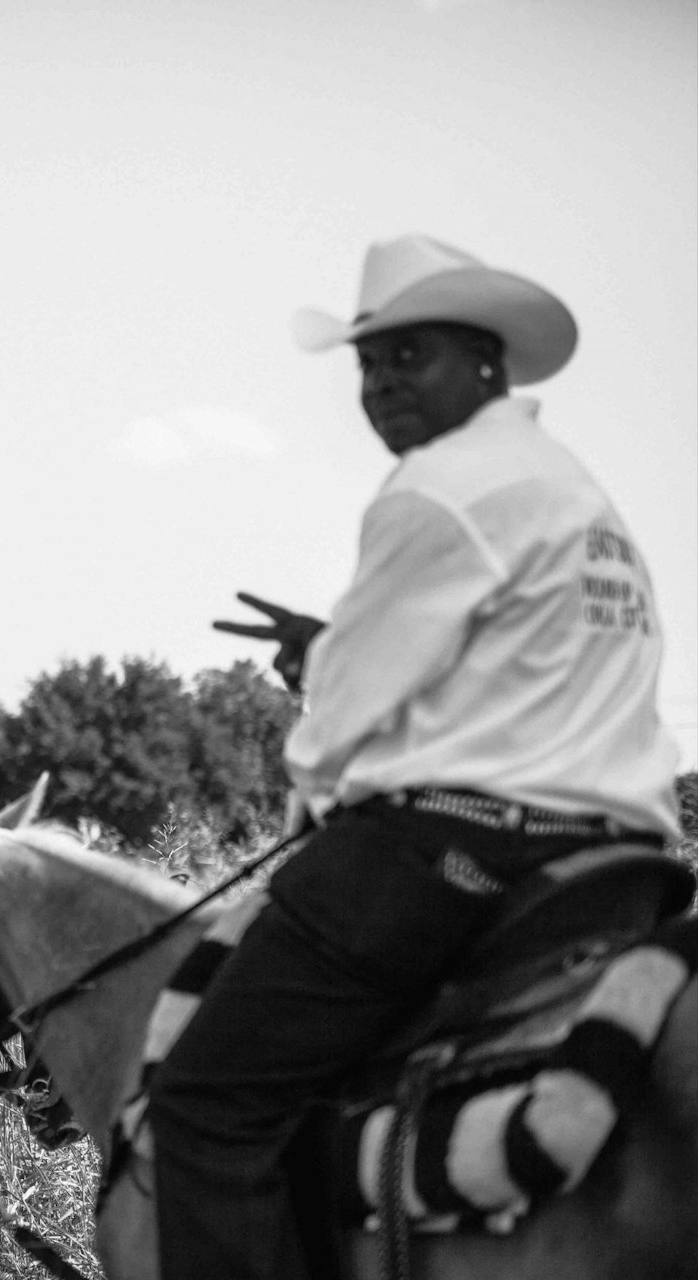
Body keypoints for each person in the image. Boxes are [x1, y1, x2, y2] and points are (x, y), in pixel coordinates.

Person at [148, 234, 683, 1280]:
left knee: (205, 1102)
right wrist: (335, 645)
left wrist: (318, 733)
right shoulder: (582, 497)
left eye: (411, 354)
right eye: (369, 362)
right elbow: (503, 683)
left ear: (488, 361)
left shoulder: (437, 487)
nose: (383, 381)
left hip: (450, 852)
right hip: (614, 858)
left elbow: (342, 724)